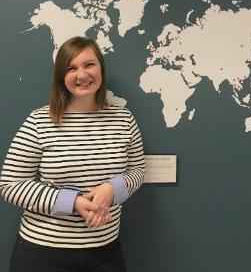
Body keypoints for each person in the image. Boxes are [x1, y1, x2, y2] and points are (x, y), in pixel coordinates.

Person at [0, 36, 146, 272]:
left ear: (101, 68)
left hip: (104, 251)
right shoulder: (39, 121)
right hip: (41, 253)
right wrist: (72, 202)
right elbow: (10, 185)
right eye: (71, 68)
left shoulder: (124, 119)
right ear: (61, 76)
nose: (82, 75)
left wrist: (113, 188)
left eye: (89, 64)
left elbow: (138, 171)